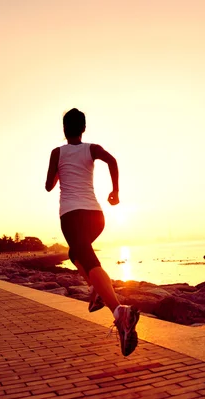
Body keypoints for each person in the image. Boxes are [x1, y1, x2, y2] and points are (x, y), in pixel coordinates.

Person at [45, 108, 139, 357]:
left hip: (71, 216)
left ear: (64, 129)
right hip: (96, 216)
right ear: (84, 128)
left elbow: (48, 186)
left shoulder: (57, 152)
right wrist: (115, 191)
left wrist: (58, 171)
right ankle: (97, 292)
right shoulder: (92, 148)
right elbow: (112, 161)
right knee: (76, 253)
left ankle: (120, 312)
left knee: (85, 258)